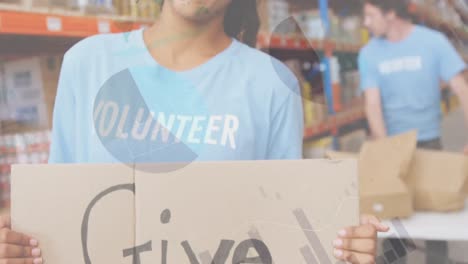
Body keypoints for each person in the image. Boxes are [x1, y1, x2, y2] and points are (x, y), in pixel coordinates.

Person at [0, 0, 388, 263]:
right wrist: (18, 246)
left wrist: (343, 245)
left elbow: (284, 233)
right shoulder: (87, 64)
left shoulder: (272, 85)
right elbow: (58, 219)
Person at [359, 0, 468, 263]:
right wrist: (384, 150)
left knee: (438, 221)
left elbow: (462, 89)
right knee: (392, 225)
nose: (366, 23)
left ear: (392, 14)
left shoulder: (433, 43)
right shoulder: (369, 53)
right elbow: (372, 103)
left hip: (430, 145)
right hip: (394, 147)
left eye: (370, 16)